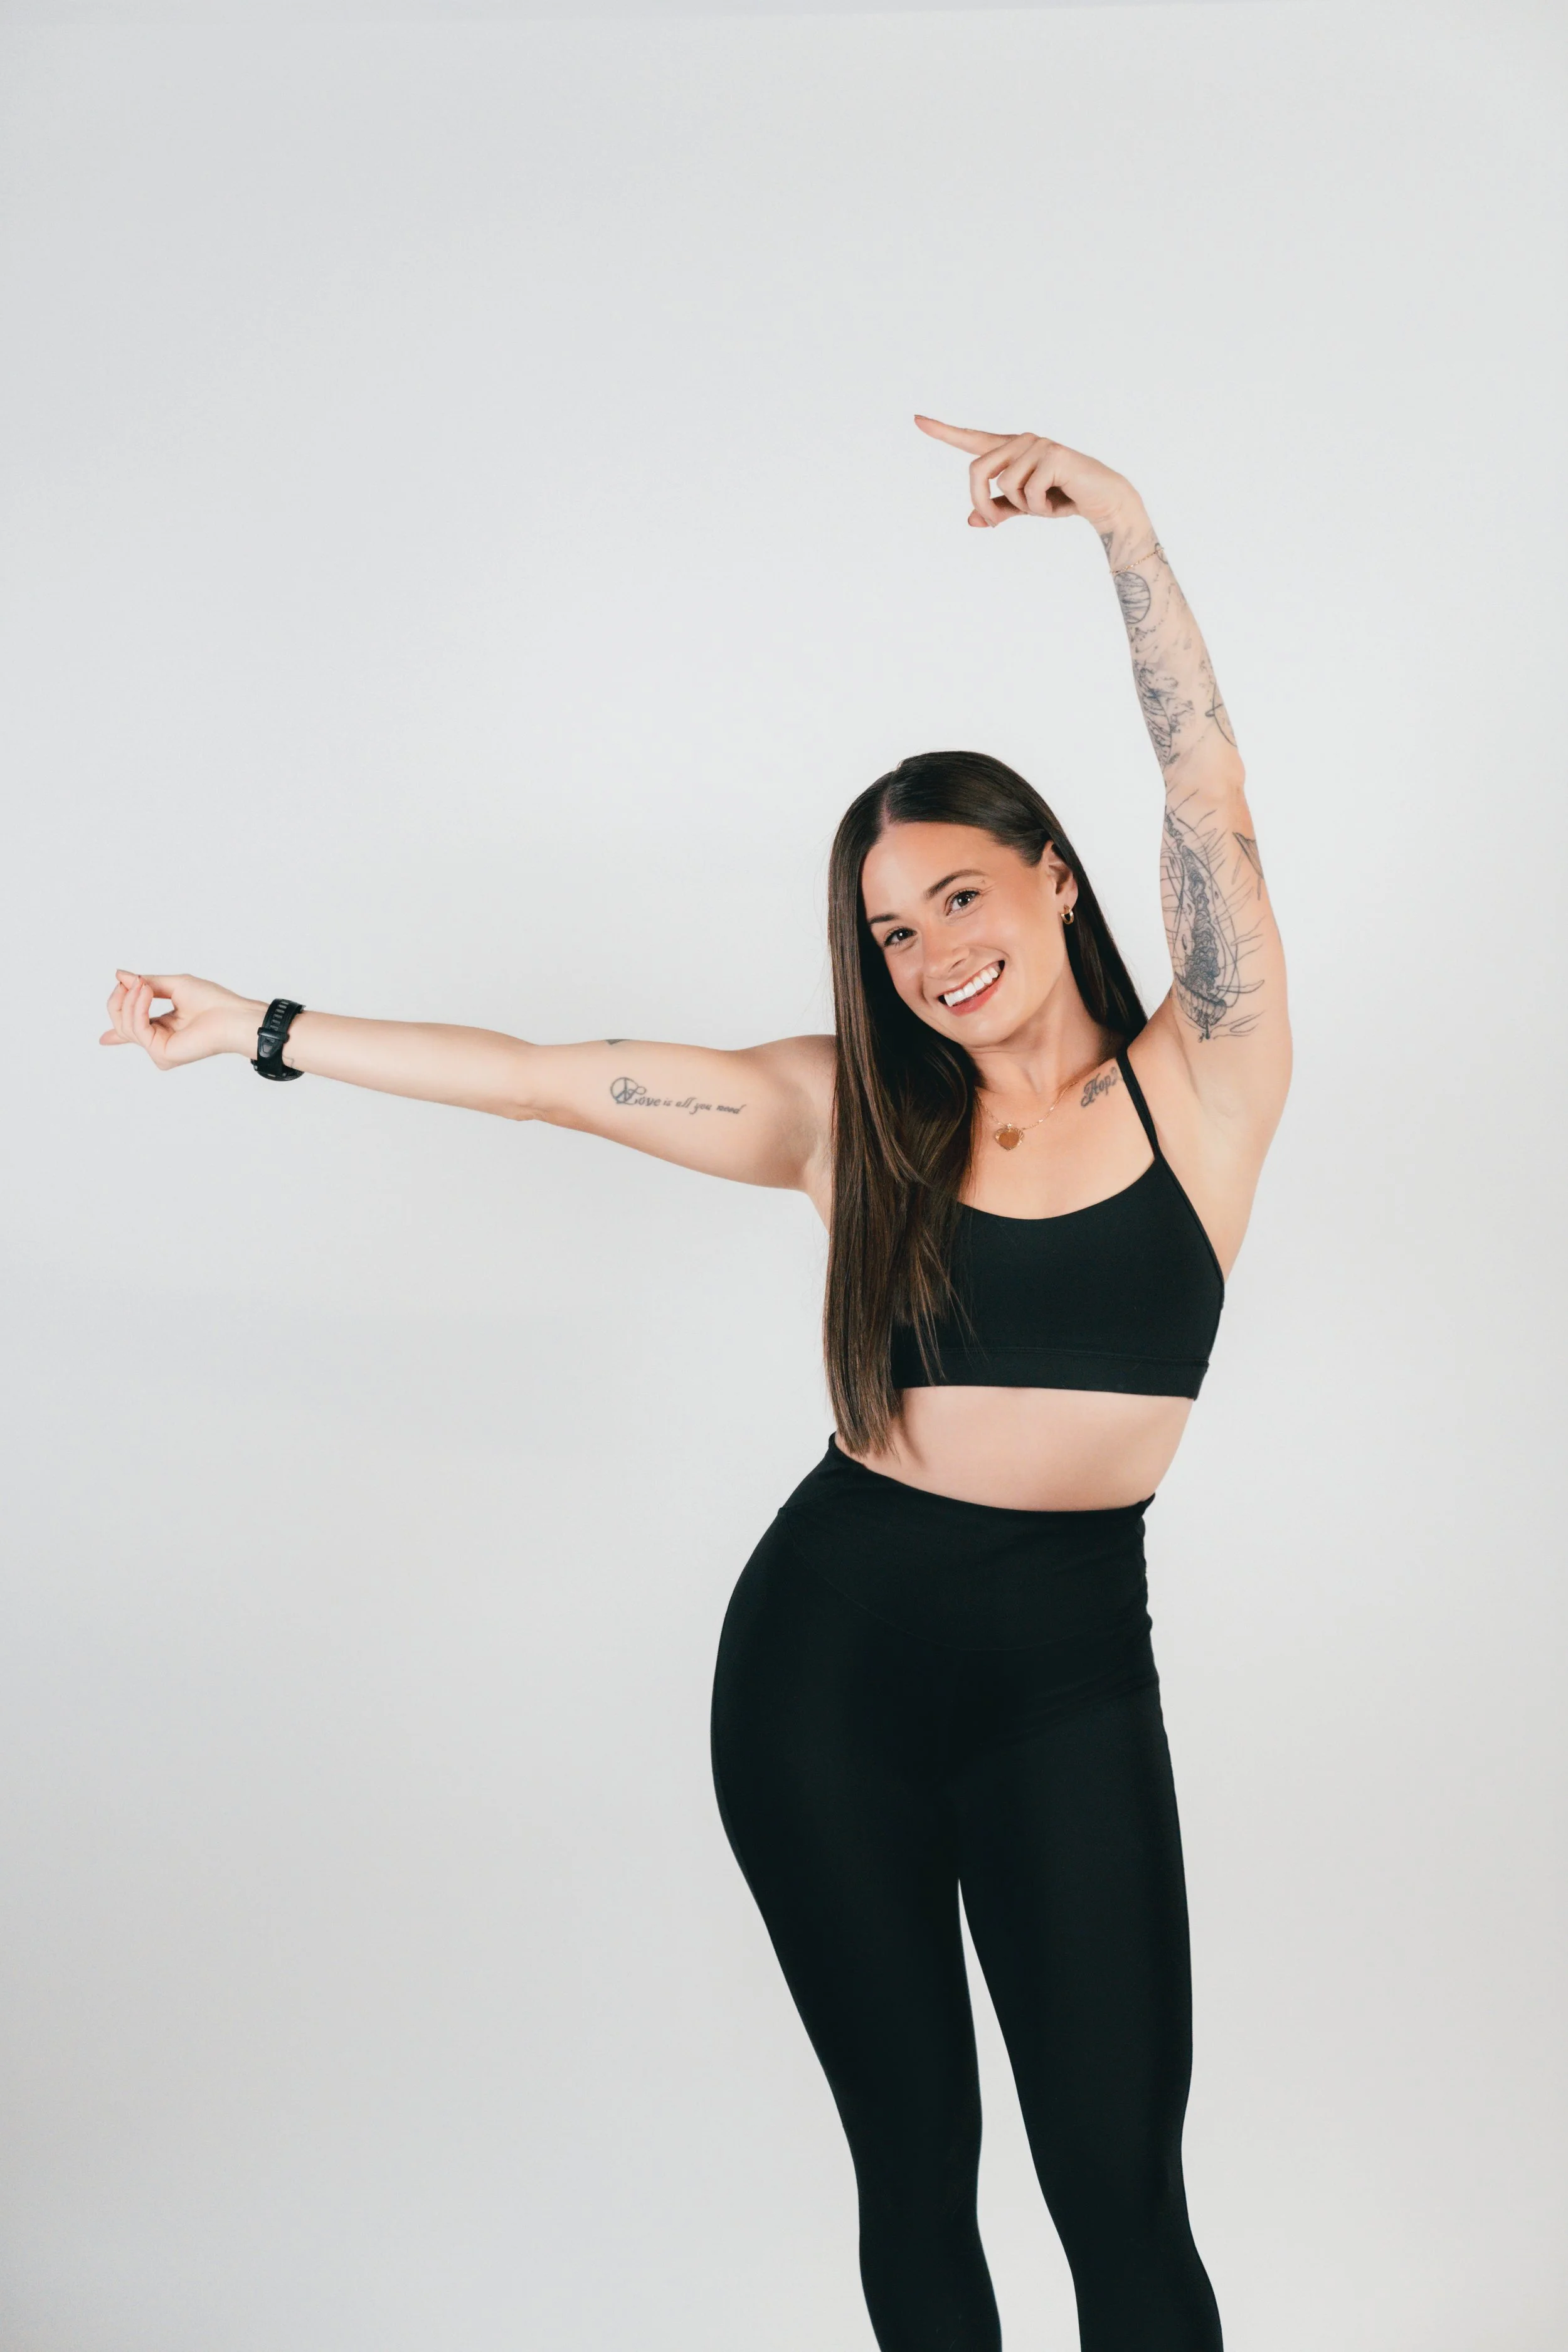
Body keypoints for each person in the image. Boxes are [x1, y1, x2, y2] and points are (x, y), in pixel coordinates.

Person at [102, 419, 1290, 2351]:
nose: (930, 956)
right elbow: (565, 1071)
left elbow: (1212, 799)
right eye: (889, 931)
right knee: (915, 2168)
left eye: (961, 900)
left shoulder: (1208, 1072)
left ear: (1056, 880)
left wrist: (1124, 531)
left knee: (1121, 2195)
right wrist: (266, 1032)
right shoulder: (845, 1117)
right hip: (826, 1662)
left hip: (1071, 1663)